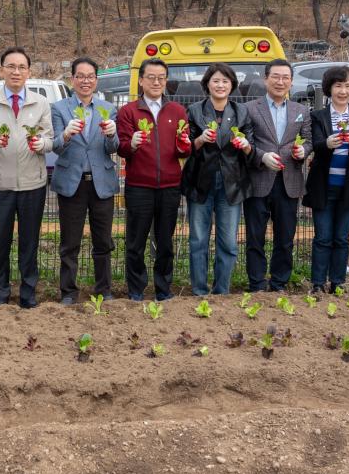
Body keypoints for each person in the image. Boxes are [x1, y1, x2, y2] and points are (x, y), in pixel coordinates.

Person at [0, 47, 54, 308]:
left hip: (33, 183)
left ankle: (28, 294)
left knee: (29, 243)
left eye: (21, 67)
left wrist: (42, 144)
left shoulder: (40, 103)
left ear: (29, 72)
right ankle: (0, 293)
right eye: (11, 66)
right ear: (2, 70)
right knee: (1, 242)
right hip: (0, 184)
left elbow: (50, 139)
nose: (16, 71)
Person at [117, 58, 192, 301]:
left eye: (161, 77)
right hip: (139, 186)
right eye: (151, 77)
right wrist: (132, 144)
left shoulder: (177, 111)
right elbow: (122, 147)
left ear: (166, 81)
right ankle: (136, 289)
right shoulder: (128, 111)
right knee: (135, 242)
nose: (156, 82)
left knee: (165, 242)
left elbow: (184, 149)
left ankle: (163, 289)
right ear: (141, 80)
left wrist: (185, 146)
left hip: (170, 185)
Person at [50, 57, 119, 305]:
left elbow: (114, 147)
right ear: (72, 79)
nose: (85, 80)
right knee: (70, 242)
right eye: (80, 76)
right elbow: (56, 147)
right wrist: (67, 134)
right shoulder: (59, 109)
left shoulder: (108, 109)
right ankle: (68, 292)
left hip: (101, 182)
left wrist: (112, 134)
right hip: (72, 183)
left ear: (96, 80)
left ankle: (104, 290)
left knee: (103, 241)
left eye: (90, 76)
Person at [180, 63, 254, 296]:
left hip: (232, 183)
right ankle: (200, 290)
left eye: (225, 81)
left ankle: (222, 291)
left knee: (228, 243)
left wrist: (245, 146)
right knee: (198, 240)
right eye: (216, 81)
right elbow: (185, 147)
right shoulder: (194, 110)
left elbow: (251, 148)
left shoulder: (242, 112)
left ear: (232, 85)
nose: (220, 85)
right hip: (200, 182)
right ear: (207, 84)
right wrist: (201, 139)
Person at [302, 66, 349, 295]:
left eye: (348, 86)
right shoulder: (318, 116)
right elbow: (315, 144)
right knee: (322, 237)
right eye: (338, 85)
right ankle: (317, 283)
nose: (343, 91)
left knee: (342, 237)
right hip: (324, 185)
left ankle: (338, 282)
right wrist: (327, 144)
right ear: (329, 88)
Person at [244, 58, 311, 292]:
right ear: (266, 79)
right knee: (255, 237)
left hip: (289, 182)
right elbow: (247, 143)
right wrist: (261, 156)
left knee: (285, 237)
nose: (280, 82)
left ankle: (279, 282)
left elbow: (309, 140)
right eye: (276, 77)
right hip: (259, 180)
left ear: (291, 82)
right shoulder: (250, 108)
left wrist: (303, 151)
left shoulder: (302, 111)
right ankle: (257, 283)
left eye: (285, 78)